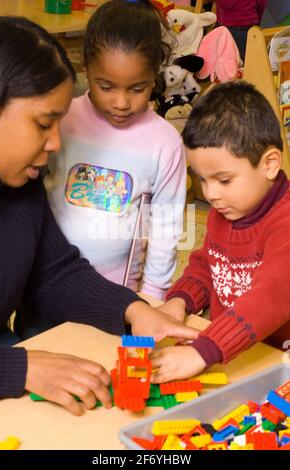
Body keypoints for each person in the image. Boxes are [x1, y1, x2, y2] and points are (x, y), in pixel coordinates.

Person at [0, 16, 198, 414]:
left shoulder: (21, 182)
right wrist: (19, 367)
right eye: (42, 123)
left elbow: (55, 272)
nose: (56, 142)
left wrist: (135, 309)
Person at [151, 81, 290, 383]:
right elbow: (208, 265)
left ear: (269, 164)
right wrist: (181, 300)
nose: (210, 193)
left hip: (278, 365)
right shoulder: (228, 208)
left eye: (223, 180)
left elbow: (270, 297)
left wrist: (203, 351)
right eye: (202, 178)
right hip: (235, 358)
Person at [45, 0, 186, 300]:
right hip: (46, 289)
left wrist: (151, 297)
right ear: (85, 67)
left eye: (137, 88)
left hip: (118, 298)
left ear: (155, 75)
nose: (121, 102)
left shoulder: (164, 142)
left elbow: (166, 230)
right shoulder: (63, 118)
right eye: (106, 86)